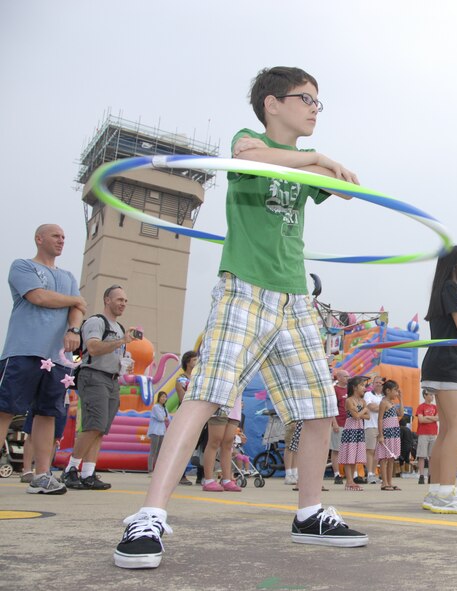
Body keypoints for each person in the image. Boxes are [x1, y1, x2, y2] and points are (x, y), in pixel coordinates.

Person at [113, 67, 368, 570]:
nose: (316, 108)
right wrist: (314, 157)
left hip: (295, 298)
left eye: (320, 101)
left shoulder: (298, 161)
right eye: (306, 98)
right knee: (207, 394)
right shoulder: (248, 141)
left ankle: (310, 513)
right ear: (273, 103)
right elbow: (248, 158)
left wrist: (327, 170)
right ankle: (149, 515)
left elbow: (348, 191)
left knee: (318, 408)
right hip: (245, 290)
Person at [0, 224, 85, 495]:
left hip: (56, 358)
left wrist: (73, 330)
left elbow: (77, 311)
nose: (61, 240)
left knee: (48, 413)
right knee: (5, 408)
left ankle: (42, 476)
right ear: (39, 239)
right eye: (55, 236)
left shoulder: (68, 276)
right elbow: (38, 296)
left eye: (64, 236)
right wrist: (75, 299)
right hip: (23, 351)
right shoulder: (22, 266)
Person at [419, 245, 457, 514]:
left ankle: (436, 492)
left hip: (442, 367)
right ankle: (446, 491)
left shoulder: (454, 293)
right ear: (455, 264)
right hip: (447, 367)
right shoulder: (448, 289)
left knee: (446, 429)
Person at [63, 285, 136, 491]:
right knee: (93, 425)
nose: (123, 304)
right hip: (94, 376)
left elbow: (114, 353)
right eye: (119, 299)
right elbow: (93, 347)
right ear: (107, 300)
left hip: (112, 379)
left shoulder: (120, 328)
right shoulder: (96, 322)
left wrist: (124, 362)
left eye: (125, 300)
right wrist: (122, 341)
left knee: (100, 429)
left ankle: (88, 472)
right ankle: (71, 469)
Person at [201, 394, 243, 492]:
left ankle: (227, 480)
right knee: (214, 442)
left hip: (234, 405)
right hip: (220, 402)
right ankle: (208, 480)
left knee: (228, 444)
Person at [339, 376, 369, 491]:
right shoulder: (349, 400)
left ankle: (352, 479)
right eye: (361, 385)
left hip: (359, 429)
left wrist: (361, 412)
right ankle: (349, 481)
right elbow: (356, 416)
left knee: (355, 456)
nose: (364, 388)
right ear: (354, 387)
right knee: (349, 456)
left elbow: (367, 416)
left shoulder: (362, 401)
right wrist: (364, 410)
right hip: (350, 429)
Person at [375, 379, 404, 491]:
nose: (397, 393)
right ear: (388, 391)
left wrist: (401, 399)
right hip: (386, 433)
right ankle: (384, 483)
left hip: (394, 433)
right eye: (395, 391)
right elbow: (380, 419)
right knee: (384, 458)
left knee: (391, 458)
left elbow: (401, 413)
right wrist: (381, 434)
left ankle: (390, 482)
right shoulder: (383, 403)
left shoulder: (392, 403)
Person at [175, 351, 198, 486]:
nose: (196, 362)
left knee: (198, 445)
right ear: (188, 362)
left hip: (197, 414)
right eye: (194, 360)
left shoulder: (198, 378)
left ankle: (201, 474)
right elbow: (182, 397)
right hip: (185, 414)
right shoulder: (182, 379)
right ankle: (180, 474)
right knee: (183, 445)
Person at [362, 374, 383, 485]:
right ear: (372, 384)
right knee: (370, 451)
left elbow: (380, 408)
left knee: (377, 453)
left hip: (381, 427)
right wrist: (383, 407)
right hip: (370, 425)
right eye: (376, 383)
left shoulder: (384, 396)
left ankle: (374, 473)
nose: (378, 385)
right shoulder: (368, 394)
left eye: (380, 383)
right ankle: (369, 474)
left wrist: (379, 407)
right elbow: (370, 407)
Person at [329, 368, 349, 484]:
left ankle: (352, 474)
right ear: (339, 377)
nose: (348, 378)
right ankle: (337, 474)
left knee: (348, 450)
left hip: (349, 424)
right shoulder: (335, 390)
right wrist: (334, 423)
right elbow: (332, 408)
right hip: (339, 422)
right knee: (336, 449)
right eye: (346, 376)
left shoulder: (350, 390)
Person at [415, 390, 438, 485]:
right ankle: (421, 476)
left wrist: (427, 417)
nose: (432, 396)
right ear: (425, 395)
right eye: (430, 395)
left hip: (433, 434)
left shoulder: (435, 407)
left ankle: (430, 475)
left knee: (432, 456)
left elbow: (438, 418)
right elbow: (421, 420)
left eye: (433, 395)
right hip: (423, 433)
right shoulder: (421, 407)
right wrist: (432, 418)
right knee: (422, 456)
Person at [147, 393, 169, 473]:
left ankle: (157, 469)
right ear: (159, 398)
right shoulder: (156, 407)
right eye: (162, 397)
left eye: (165, 397)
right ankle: (150, 469)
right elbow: (160, 418)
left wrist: (165, 418)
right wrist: (165, 418)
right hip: (155, 431)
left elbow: (168, 418)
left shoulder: (164, 408)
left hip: (161, 432)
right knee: (153, 451)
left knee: (159, 451)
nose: (164, 398)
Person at [283, 420, 303, 486]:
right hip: (292, 421)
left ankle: (295, 473)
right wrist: (291, 421)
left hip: (300, 422)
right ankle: (288, 475)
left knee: (296, 448)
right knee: (289, 447)